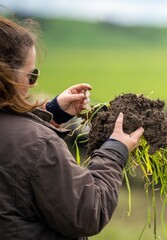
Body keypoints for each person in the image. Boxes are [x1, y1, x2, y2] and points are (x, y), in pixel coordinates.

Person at [0, 15, 144, 239]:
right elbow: (88, 212)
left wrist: (52, 112)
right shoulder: (38, 145)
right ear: (8, 77)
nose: (34, 83)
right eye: (31, 75)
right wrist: (115, 151)